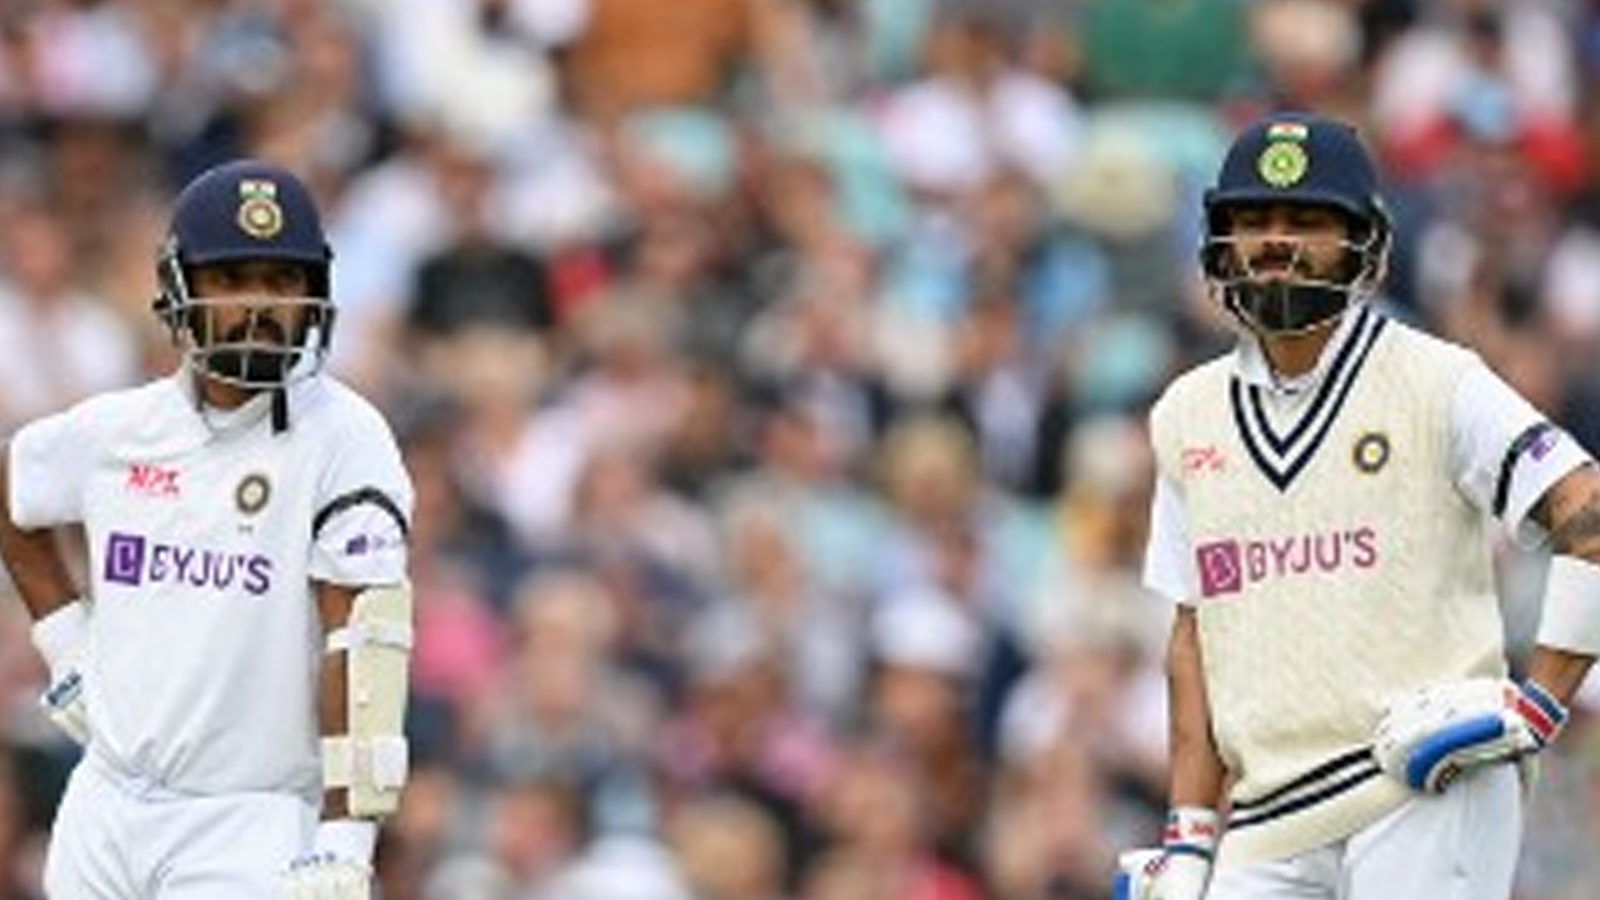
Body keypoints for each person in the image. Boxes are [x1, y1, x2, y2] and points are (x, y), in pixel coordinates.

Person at [1118, 111, 1600, 900]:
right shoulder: (1186, 413)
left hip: (1422, 777)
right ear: (1220, 240)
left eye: (1307, 220)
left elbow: (1590, 514)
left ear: (1363, 244)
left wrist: (1539, 704)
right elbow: (1193, 630)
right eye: (1255, 219)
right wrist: (1188, 834)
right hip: (1266, 811)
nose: (1277, 242)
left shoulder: (1436, 381)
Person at [1, 160, 415, 898]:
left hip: (248, 818)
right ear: (179, 288)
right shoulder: (123, 428)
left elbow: (365, 641)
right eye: (231, 278)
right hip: (104, 802)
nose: (258, 303)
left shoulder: (345, 438)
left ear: (314, 292)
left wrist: (347, 836)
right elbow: (12, 485)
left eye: (282, 280)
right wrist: (64, 646)